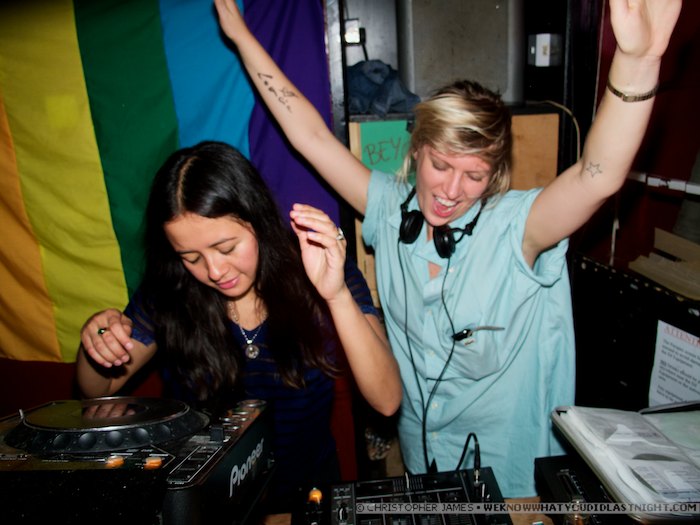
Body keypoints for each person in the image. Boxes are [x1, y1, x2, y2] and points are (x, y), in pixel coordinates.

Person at [214, 0, 682, 497]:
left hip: (513, 478)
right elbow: (308, 135)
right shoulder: (389, 210)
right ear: (417, 149)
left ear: (495, 175)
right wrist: (242, 36)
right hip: (425, 464)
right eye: (440, 165)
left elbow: (597, 176)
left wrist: (637, 62)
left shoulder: (519, 228)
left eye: (474, 175)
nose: (452, 191)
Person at [76, 141, 401, 511]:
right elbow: (97, 390)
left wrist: (336, 294)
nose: (214, 271)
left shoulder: (319, 266)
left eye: (226, 248)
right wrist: (97, 342)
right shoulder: (170, 291)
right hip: (206, 504)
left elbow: (387, 399)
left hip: (307, 498)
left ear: (257, 220)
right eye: (191, 257)